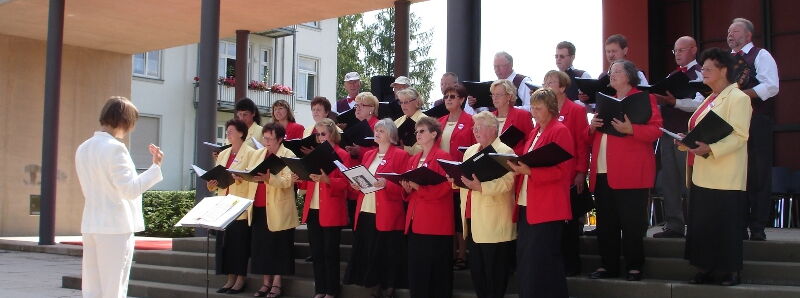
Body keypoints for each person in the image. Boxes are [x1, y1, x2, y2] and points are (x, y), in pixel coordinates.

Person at [75, 96, 164, 298]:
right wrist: (155, 168)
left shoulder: (84, 147)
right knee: (114, 288)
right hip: (115, 227)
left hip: (91, 223)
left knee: (92, 288)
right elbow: (129, 190)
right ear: (125, 121)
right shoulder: (115, 148)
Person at [588, 59, 662, 282]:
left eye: (618, 71)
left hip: (631, 171)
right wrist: (591, 127)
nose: (612, 74)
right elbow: (590, 137)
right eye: (611, 71)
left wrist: (632, 129)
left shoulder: (644, 98)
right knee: (606, 223)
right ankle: (608, 265)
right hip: (602, 170)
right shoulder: (605, 100)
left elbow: (657, 130)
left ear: (630, 75)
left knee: (632, 223)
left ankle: (634, 266)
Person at [683, 47, 752, 286]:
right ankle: (706, 268)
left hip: (725, 172)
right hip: (703, 171)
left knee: (725, 222)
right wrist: (687, 139)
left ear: (724, 70)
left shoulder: (738, 98)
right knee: (704, 222)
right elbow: (701, 131)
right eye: (703, 68)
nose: (704, 71)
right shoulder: (709, 99)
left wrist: (711, 148)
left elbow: (740, 136)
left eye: (708, 68)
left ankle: (730, 270)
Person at [507, 88, 574, 298]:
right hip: (529, 203)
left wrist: (529, 171)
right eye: (532, 108)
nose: (534, 112)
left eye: (538, 108)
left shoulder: (559, 130)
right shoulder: (535, 132)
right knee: (527, 258)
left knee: (543, 259)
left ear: (551, 109)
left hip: (547, 207)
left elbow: (564, 171)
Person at [451, 111, 516, 298]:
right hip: (473, 219)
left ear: (493, 129)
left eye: (479, 127)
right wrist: (455, 178)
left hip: (495, 222)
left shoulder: (505, 150)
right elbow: (465, 179)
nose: (475, 130)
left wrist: (482, 186)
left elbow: (508, 182)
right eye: (474, 127)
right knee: (478, 273)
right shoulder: (471, 150)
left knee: (495, 275)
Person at [727, 17, 780, 241]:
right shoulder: (725, 60)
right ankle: (737, 225)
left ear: (748, 35)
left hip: (756, 121)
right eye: (728, 31)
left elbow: (771, 86)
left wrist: (738, 95)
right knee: (735, 173)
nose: (730, 34)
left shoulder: (761, 55)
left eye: (735, 31)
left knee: (758, 174)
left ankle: (757, 226)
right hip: (730, 123)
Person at [344, 118, 410, 298]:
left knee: (387, 250)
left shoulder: (400, 155)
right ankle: (373, 282)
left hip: (388, 210)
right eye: (376, 130)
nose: (377, 133)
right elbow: (363, 179)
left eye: (381, 130)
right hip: (366, 208)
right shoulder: (368, 155)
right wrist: (356, 185)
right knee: (369, 249)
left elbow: (405, 189)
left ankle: (389, 284)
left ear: (390, 134)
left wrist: (386, 184)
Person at [652, 36, 705, 239]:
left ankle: (695, 226)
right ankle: (674, 225)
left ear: (693, 49)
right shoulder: (673, 74)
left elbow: (700, 104)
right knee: (670, 180)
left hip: (690, 133)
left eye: (681, 50)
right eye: (675, 51)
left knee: (690, 181)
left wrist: (674, 102)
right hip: (668, 132)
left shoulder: (700, 72)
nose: (677, 54)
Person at [542, 70, 592, 276]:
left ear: (562, 87)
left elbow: (582, 144)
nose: (546, 84)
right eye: (545, 81)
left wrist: (581, 171)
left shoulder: (576, 110)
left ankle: (572, 265)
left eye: (551, 82)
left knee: (569, 224)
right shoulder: (545, 111)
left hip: (569, 175)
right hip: (549, 176)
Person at [242, 123, 300, 298]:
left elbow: (288, 181)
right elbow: (249, 173)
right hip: (258, 206)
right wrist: (241, 175)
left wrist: (269, 178)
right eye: (264, 138)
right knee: (261, 247)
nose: (266, 141)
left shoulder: (288, 154)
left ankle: (277, 283)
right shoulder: (258, 154)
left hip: (278, 208)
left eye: (269, 139)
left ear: (280, 139)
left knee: (279, 246)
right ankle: (265, 283)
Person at [401, 116, 455, 298]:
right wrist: (407, 189)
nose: (418, 134)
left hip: (435, 224)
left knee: (436, 275)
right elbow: (409, 194)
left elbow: (445, 189)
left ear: (434, 134)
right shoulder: (413, 159)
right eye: (416, 131)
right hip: (416, 221)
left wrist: (419, 188)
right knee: (417, 273)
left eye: (422, 131)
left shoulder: (443, 157)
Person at [297, 118, 352, 298]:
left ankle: (332, 291)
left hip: (331, 207)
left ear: (332, 133)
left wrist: (327, 180)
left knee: (330, 253)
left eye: (323, 134)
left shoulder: (342, 154)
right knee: (317, 252)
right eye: (317, 134)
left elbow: (347, 184)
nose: (320, 138)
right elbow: (308, 183)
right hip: (313, 207)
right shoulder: (314, 154)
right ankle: (320, 290)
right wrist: (299, 177)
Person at [209, 119, 257, 293]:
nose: (227, 133)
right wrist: (212, 183)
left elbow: (253, 178)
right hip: (224, 202)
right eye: (227, 130)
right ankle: (229, 278)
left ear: (241, 133)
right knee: (225, 244)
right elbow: (217, 177)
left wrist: (242, 177)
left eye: (230, 131)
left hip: (240, 203)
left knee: (239, 243)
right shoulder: (223, 154)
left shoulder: (251, 153)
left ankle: (240, 279)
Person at [438, 83, 477, 271]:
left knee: (460, 217)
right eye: (446, 97)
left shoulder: (471, 120)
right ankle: (451, 253)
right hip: (443, 175)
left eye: (452, 97)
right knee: (448, 216)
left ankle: (462, 254)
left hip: (461, 174)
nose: (448, 100)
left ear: (462, 100)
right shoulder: (440, 121)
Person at [468, 52, 533, 112]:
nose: (497, 70)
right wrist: (475, 105)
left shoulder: (523, 81)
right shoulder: (494, 85)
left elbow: (531, 107)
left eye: (500, 66)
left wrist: (506, 109)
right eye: (495, 66)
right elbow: (490, 109)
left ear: (510, 65)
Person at [490, 79, 534, 156]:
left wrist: (513, 154)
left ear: (509, 96)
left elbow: (530, 142)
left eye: (498, 95)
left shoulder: (522, 115)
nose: (495, 98)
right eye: (493, 94)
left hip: (513, 162)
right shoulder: (489, 116)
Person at [394, 88, 426, 154]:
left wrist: (405, 149)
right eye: (401, 102)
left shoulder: (425, 121)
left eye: (406, 102)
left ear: (416, 102)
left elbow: (426, 147)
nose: (403, 105)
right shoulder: (397, 121)